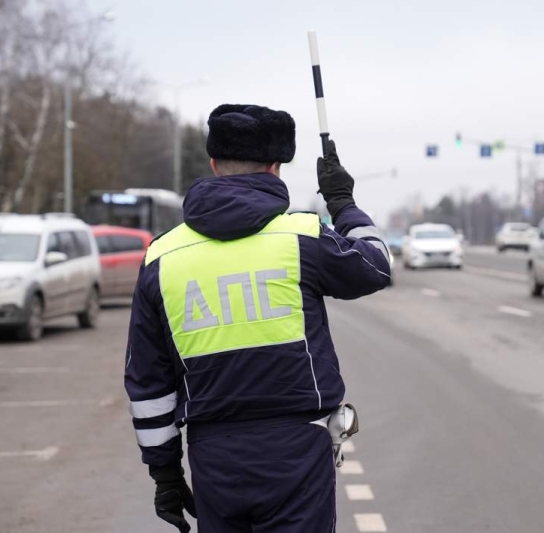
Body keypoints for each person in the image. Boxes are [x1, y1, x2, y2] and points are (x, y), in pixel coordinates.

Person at [124, 104, 391, 533]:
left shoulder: (161, 257)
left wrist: (166, 476)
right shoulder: (301, 237)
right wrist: (343, 203)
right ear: (275, 168)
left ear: (213, 164)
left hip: (213, 457)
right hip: (298, 450)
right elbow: (376, 266)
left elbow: (148, 385)